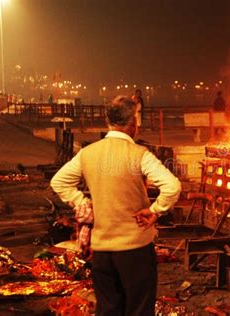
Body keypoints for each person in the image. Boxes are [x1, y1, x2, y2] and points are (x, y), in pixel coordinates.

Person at [50, 95, 181, 315]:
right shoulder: (139, 155)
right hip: (136, 248)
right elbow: (172, 186)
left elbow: (59, 182)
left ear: (107, 122)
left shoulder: (88, 153)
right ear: (133, 124)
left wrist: (83, 202)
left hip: (102, 250)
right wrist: (155, 210)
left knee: (108, 308)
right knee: (138, 309)